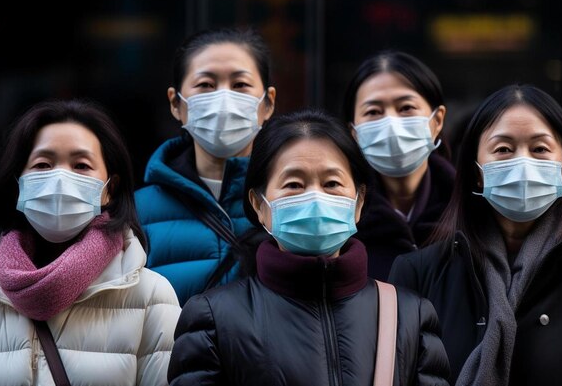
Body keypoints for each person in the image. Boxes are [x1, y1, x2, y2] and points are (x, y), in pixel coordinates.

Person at [167, 110, 450, 386]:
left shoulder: (410, 315)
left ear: (359, 202)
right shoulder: (213, 318)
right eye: (294, 184)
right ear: (259, 205)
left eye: (332, 183)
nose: (315, 197)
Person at [389, 84, 562, 385]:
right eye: (503, 149)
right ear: (476, 169)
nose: (522, 163)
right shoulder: (420, 272)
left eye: (540, 149)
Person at [0, 100, 181, 385]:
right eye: (43, 164)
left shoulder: (151, 297)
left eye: (81, 165)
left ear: (110, 189)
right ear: (17, 183)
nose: (61, 178)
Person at [135, 27, 276, 305]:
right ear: (176, 103)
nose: (223, 99)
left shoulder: (288, 199)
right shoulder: (137, 213)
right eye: (206, 85)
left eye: (240, 85)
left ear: (268, 102)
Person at [342, 50, 455, 280]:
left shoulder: (469, 212)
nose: (391, 123)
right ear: (354, 132)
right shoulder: (340, 220)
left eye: (406, 108)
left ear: (437, 120)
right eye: (373, 112)